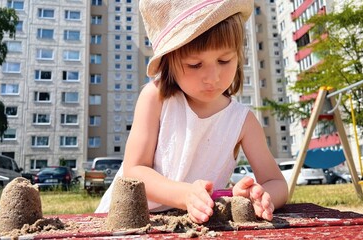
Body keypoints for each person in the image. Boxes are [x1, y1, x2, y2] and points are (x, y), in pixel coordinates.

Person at [96, 0, 288, 224]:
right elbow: (134, 171)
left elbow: (277, 182)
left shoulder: (242, 120)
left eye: (224, 60)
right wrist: (184, 195)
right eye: (195, 65)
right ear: (169, 61)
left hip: (193, 223)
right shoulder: (156, 98)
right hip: (130, 220)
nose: (212, 77)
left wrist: (262, 197)